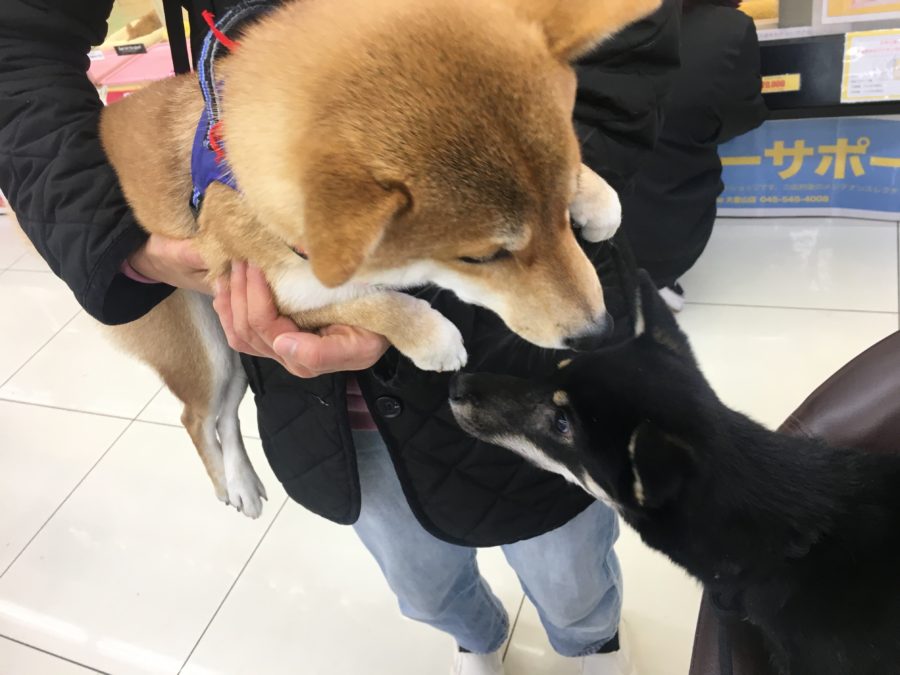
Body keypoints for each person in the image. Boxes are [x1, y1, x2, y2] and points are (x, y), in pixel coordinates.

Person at [0, 1, 680, 673]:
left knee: (569, 557)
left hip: (531, 369)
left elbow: (622, 50)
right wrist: (113, 237)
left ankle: (592, 640)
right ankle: (473, 637)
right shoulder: (296, 197)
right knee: (420, 576)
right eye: (487, 255)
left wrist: (556, 164)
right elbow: (18, 39)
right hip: (336, 400)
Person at [619, 0, 767, 312]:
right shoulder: (727, 29)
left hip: (561, 235)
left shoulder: (569, 23)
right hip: (664, 235)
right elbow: (741, 115)